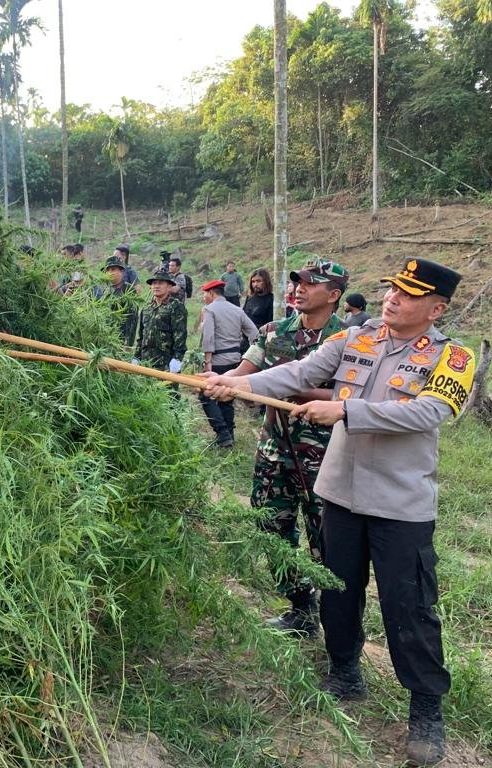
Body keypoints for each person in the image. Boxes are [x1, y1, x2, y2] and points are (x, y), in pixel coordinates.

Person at [203, 258, 475, 767]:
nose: (394, 299)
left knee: (408, 606)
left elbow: (427, 412)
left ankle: (425, 710)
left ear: (436, 308)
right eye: (393, 289)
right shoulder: (356, 338)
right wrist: (237, 384)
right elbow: (298, 373)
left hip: (400, 505)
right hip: (340, 494)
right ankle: (344, 670)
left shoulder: (453, 356)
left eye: (410, 295)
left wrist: (345, 409)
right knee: (337, 589)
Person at [225, 259, 348, 636]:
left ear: (334, 295)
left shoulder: (348, 340)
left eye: (309, 284)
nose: (298, 288)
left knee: (326, 541)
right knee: (270, 528)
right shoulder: (274, 332)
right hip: (274, 453)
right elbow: (245, 374)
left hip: (324, 460)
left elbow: (348, 395)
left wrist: (285, 388)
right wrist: (219, 380)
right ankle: (300, 607)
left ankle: (337, 623)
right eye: (296, 282)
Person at [198, 278, 258, 447]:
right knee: (227, 397)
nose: (204, 298)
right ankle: (229, 434)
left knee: (207, 395)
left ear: (211, 293)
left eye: (204, 294)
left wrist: (207, 362)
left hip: (217, 360)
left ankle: (222, 433)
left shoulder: (209, 310)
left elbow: (208, 337)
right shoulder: (237, 310)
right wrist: (250, 354)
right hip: (235, 360)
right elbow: (253, 332)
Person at [134, 268, 187, 375]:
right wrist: (136, 356)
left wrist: (177, 358)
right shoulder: (147, 307)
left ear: (169, 286)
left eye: (161, 283)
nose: (156, 286)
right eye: (154, 283)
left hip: (166, 362)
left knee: (167, 391)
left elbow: (180, 335)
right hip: (146, 362)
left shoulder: (175, 306)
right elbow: (141, 336)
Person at [103, 254, 139, 347]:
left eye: (113, 269)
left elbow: (132, 321)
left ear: (121, 271)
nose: (110, 272)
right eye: (108, 270)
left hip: (121, 341)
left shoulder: (129, 290)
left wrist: (128, 345)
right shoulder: (105, 291)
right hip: (106, 338)